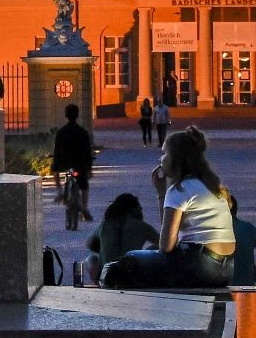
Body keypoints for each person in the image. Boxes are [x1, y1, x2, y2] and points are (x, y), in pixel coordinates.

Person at [100, 128, 232, 290]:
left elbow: (166, 246)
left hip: (198, 266)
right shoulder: (212, 187)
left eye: (164, 154)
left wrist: (162, 193)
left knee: (128, 262)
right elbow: (170, 239)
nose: (160, 159)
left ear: (177, 159)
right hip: (225, 269)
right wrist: (162, 193)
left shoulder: (180, 189)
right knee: (149, 254)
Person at [86, 192, 157, 284]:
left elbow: (90, 243)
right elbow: (163, 244)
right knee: (153, 249)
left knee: (91, 258)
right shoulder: (142, 226)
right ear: (134, 209)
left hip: (106, 277)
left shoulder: (105, 225)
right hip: (131, 276)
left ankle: (96, 282)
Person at [50, 104, 95, 232]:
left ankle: (59, 192)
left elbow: (57, 151)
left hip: (64, 163)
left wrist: (56, 166)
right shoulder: (82, 132)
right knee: (84, 185)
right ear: (77, 115)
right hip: (79, 165)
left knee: (56, 173)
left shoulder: (61, 133)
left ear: (66, 115)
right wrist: (89, 168)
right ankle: (84, 208)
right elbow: (88, 152)